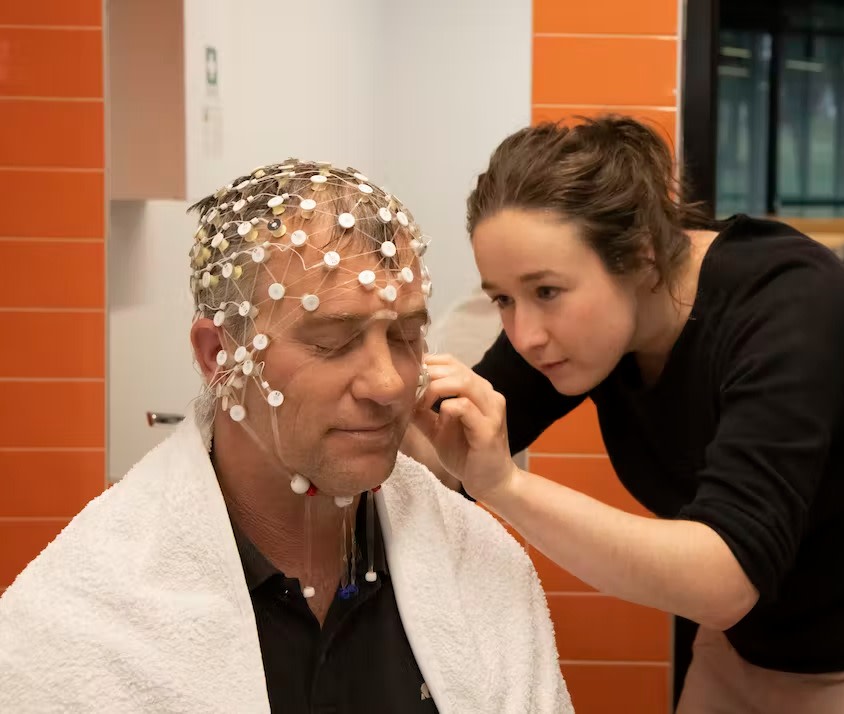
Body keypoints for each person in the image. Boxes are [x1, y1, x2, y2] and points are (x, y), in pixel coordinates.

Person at [404, 116, 844, 713]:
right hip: (750, 644)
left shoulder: (793, 315)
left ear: (641, 258)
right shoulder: (571, 327)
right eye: (503, 298)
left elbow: (723, 580)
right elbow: (449, 458)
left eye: (546, 292)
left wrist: (504, 486)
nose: (525, 334)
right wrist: (386, 390)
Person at [0, 160, 572, 713]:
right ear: (218, 354)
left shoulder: (480, 566)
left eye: (405, 336)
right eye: (331, 342)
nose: (389, 382)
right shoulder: (81, 615)